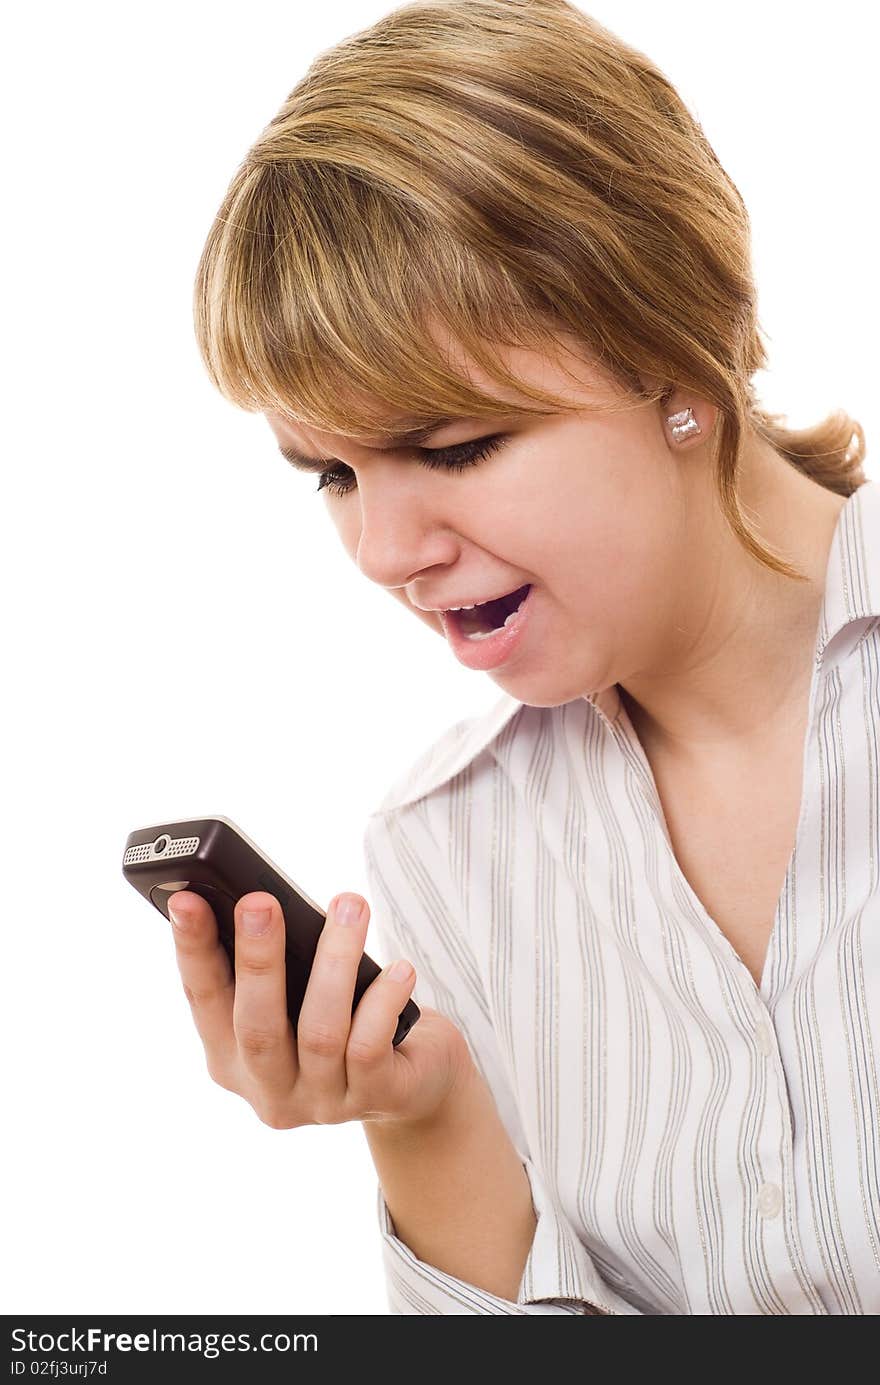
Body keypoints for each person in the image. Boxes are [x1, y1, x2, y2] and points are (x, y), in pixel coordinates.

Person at [176, 0, 877, 1313]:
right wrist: (424, 1107)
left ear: (674, 356)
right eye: (331, 471)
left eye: (453, 449)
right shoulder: (450, 847)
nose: (385, 549)